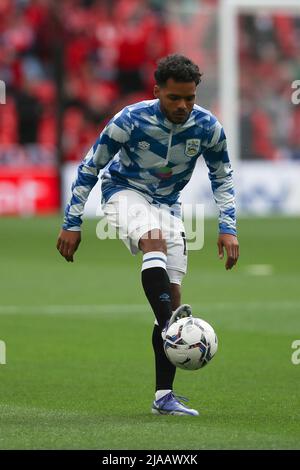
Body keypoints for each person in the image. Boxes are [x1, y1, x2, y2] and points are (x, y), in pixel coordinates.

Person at [57, 54, 239, 417]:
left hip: (169, 205)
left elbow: (222, 175)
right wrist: (72, 222)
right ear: (157, 92)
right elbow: (91, 166)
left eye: (190, 98)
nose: (183, 106)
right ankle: (174, 325)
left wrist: (228, 228)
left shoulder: (207, 127)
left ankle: (163, 396)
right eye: (174, 98)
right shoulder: (130, 119)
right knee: (152, 243)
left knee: (170, 296)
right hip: (123, 192)